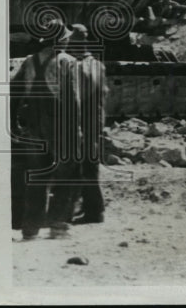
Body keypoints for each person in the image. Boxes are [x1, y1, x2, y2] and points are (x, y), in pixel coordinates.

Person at [9, 21, 82, 240]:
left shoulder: (29, 62)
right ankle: (58, 226)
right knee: (67, 175)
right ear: (61, 40)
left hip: (33, 129)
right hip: (60, 128)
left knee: (36, 179)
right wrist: (76, 129)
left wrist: (13, 124)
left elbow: (13, 94)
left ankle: (30, 229)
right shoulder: (68, 63)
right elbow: (73, 100)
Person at [64, 24, 108, 224]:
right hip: (95, 122)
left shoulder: (77, 67)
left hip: (81, 123)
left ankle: (93, 211)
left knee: (82, 168)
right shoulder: (98, 65)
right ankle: (92, 209)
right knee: (91, 166)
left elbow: (76, 99)